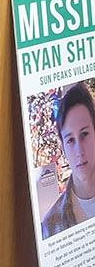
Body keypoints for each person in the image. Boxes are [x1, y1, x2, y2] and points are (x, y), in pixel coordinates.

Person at [42, 83, 95, 239]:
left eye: (84, 134)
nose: (79, 151)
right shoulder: (51, 225)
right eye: (70, 140)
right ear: (63, 147)